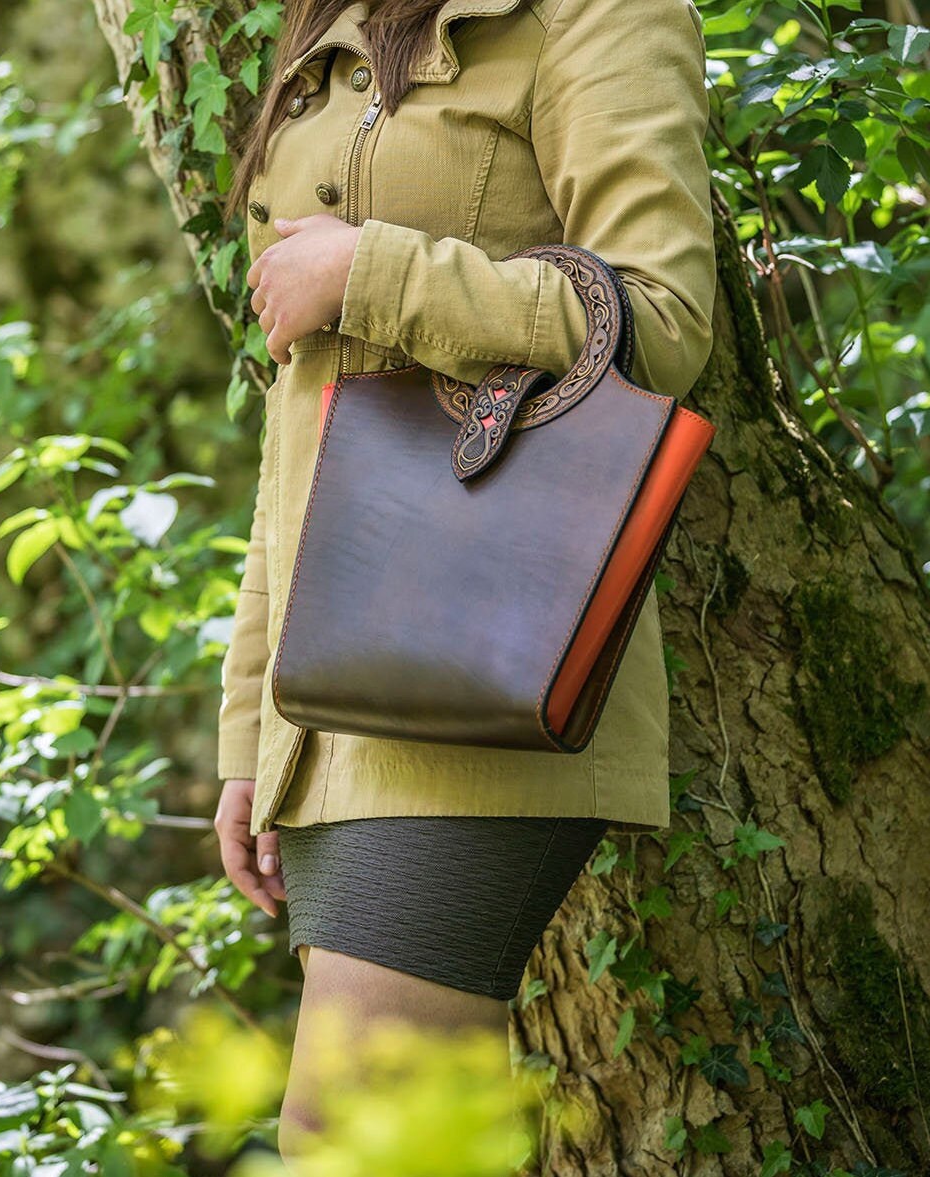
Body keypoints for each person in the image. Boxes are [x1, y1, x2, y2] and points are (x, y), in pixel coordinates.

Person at [212, 0, 717, 1163]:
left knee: (353, 1136)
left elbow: (661, 319)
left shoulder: (603, 15)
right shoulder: (331, 26)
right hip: (337, 681)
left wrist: (369, 272)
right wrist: (253, 733)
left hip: (487, 650)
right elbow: (301, 434)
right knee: (394, 1139)